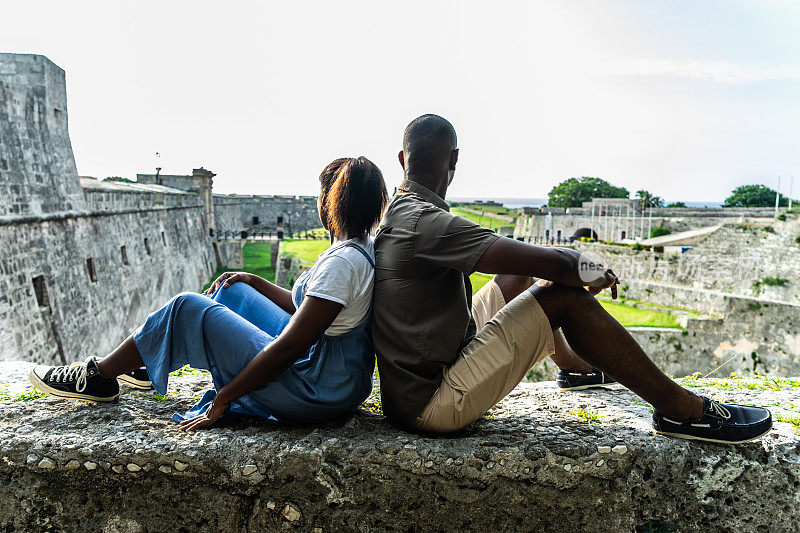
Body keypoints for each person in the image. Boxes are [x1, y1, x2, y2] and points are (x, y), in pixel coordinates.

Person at [371, 114, 772, 443]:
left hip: (412, 380)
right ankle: (683, 411)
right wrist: (594, 272)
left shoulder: (401, 211)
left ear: (402, 159)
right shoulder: (429, 222)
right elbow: (559, 267)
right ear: (454, 160)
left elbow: (523, 257)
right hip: (433, 402)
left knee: (518, 270)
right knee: (563, 298)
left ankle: (576, 367)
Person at [30, 156, 388, 430]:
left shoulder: (342, 264)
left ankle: (99, 376)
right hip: (336, 376)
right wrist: (254, 280)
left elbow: (289, 348)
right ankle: (155, 355)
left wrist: (225, 397)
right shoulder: (357, 247)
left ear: (331, 201)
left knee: (188, 306)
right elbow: (309, 309)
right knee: (233, 292)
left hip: (315, 389)